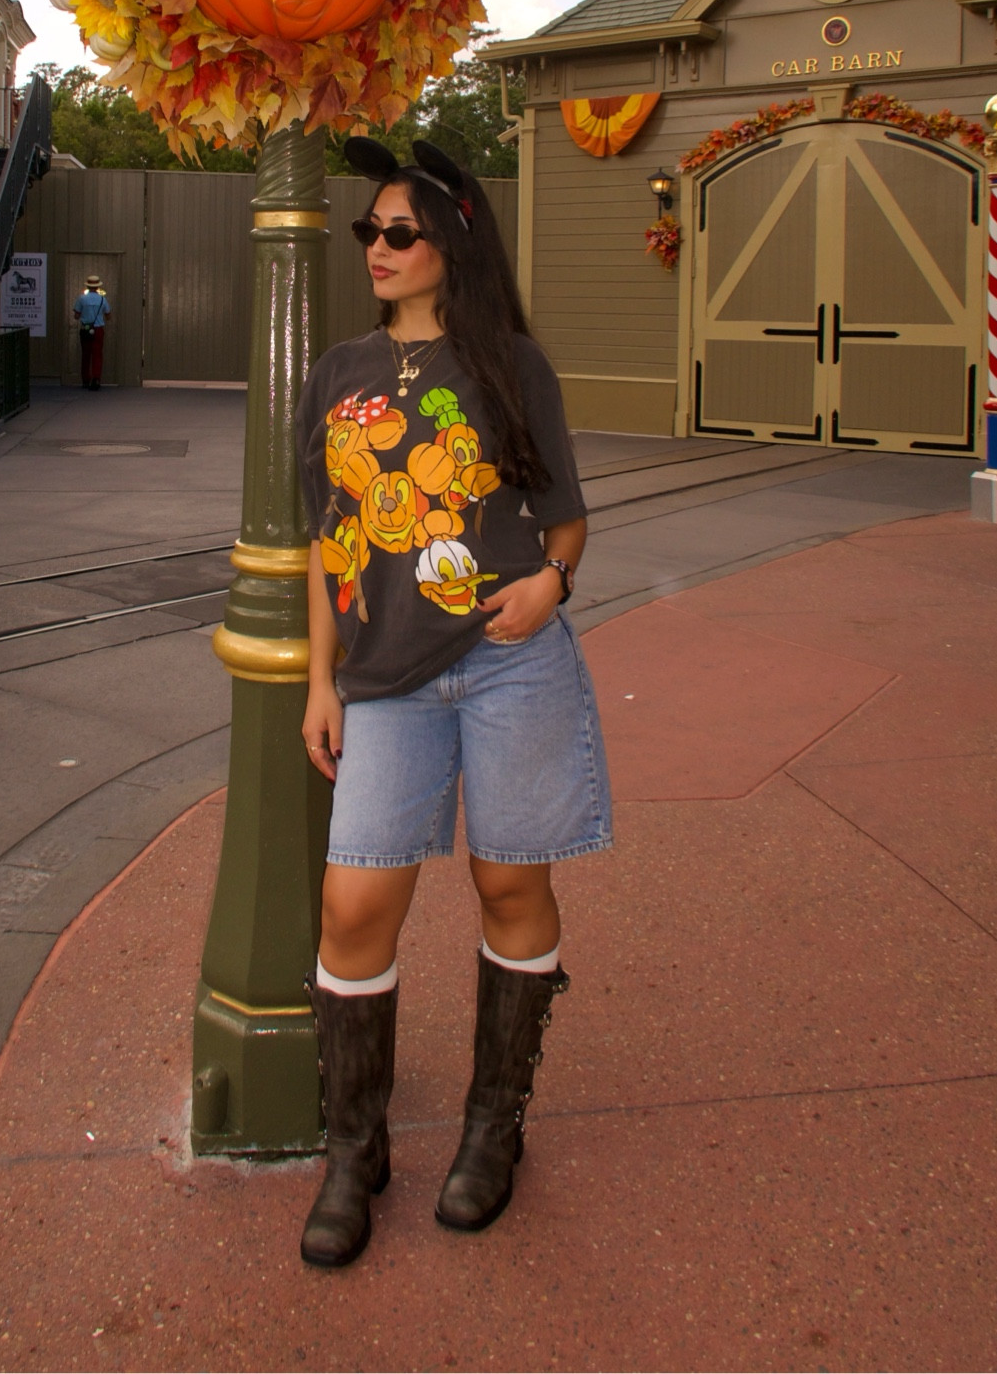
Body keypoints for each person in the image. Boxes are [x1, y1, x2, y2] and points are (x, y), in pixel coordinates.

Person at [293, 135, 611, 1270]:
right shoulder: (337, 372)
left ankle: (492, 1128)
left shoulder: (513, 365)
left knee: (508, 881)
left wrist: (551, 581)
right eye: (368, 231)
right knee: (351, 908)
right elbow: (328, 540)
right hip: (386, 679)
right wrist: (321, 680)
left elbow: (564, 517)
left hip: (511, 661)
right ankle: (354, 1150)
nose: (375, 248)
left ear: (451, 248)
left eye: (399, 233)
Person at [72, 274, 110, 390]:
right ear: (98, 287)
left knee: (86, 354)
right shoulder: (102, 299)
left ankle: (85, 379)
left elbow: (76, 316)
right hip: (98, 329)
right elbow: (108, 315)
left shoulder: (81, 299)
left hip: (86, 328)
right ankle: (96, 378)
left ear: (88, 286)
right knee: (97, 354)